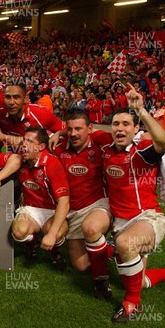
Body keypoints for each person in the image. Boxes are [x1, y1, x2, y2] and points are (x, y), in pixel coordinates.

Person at [102, 90, 165, 323]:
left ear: (136, 129)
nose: (120, 128)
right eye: (115, 124)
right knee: (140, 279)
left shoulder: (142, 152)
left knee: (125, 246)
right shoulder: (104, 150)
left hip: (147, 218)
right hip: (121, 223)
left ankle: (131, 305)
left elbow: (163, 141)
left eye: (126, 124)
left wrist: (141, 110)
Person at [52, 111, 113, 298]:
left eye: (79, 128)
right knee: (81, 266)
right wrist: (58, 134)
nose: (74, 133)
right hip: (72, 211)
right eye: (69, 129)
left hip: (97, 204)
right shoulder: (58, 147)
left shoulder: (101, 143)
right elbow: (31, 142)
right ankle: (112, 247)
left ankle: (101, 281)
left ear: (90, 129)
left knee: (92, 228)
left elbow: (124, 134)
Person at [10, 127, 70, 270]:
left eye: (30, 141)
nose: (24, 144)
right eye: (24, 140)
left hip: (53, 210)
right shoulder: (21, 160)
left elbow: (64, 201)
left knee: (56, 234)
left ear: (41, 147)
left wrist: (51, 234)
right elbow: (0, 162)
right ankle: (32, 244)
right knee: (18, 233)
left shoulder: (52, 164)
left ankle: (55, 252)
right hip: (30, 209)